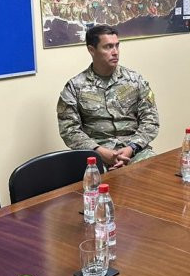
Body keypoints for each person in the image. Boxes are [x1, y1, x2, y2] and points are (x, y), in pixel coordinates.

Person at [57, 24, 159, 169]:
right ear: (92, 50)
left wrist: (131, 148)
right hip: (96, 154)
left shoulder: (135, 80)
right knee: (94, 180)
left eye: (117, 46)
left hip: (135, 150)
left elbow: (151, 120)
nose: (115, 52)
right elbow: (69, 130)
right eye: (108, 47)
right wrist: (99, 151)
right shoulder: (75, 87)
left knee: (154, 171)